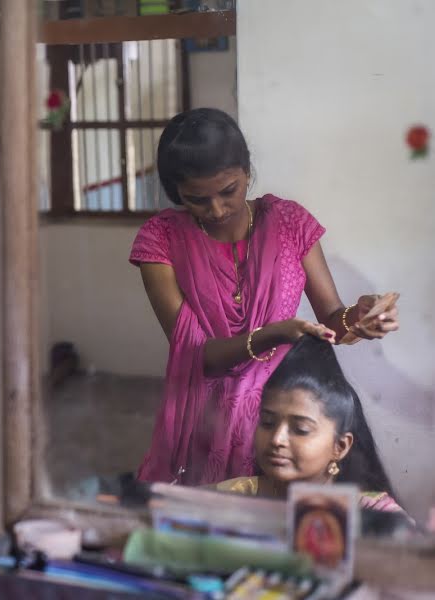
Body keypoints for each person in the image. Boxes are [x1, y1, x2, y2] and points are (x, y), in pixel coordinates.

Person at [130, 108, 399, 485]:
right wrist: (273, 333)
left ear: (247, 171)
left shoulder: (288, 223)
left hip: (282, 411)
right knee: (216, 525)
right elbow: (197, 355)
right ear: (177, 192)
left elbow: (331, 319)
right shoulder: (160, 241)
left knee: (289, 525)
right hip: (204, 418)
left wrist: (360, 317)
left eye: (229, 191)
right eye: (197, 200)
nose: (218, 209)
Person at [214, 335, 403, 514]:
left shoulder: (371, 513)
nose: (277, 439)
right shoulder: (231, 498)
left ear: (340, 446)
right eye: (268, 423)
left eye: (300, 430)